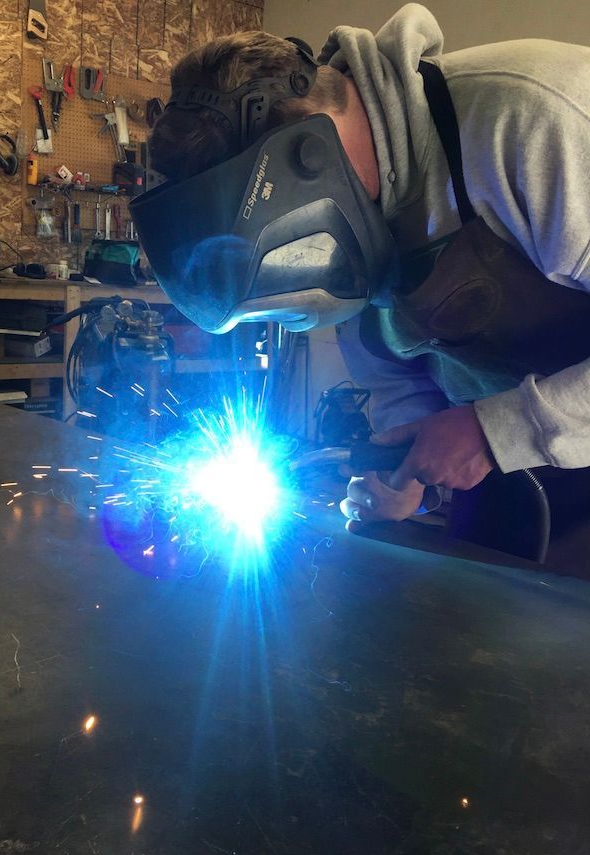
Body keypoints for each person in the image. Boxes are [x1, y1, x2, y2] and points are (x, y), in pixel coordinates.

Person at [132, 4, 590, 571]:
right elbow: (390, 364)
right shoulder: (353, 219)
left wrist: (497, 429)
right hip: (514, 469)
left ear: (308, 159)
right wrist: (402, 472)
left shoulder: (528, 122)